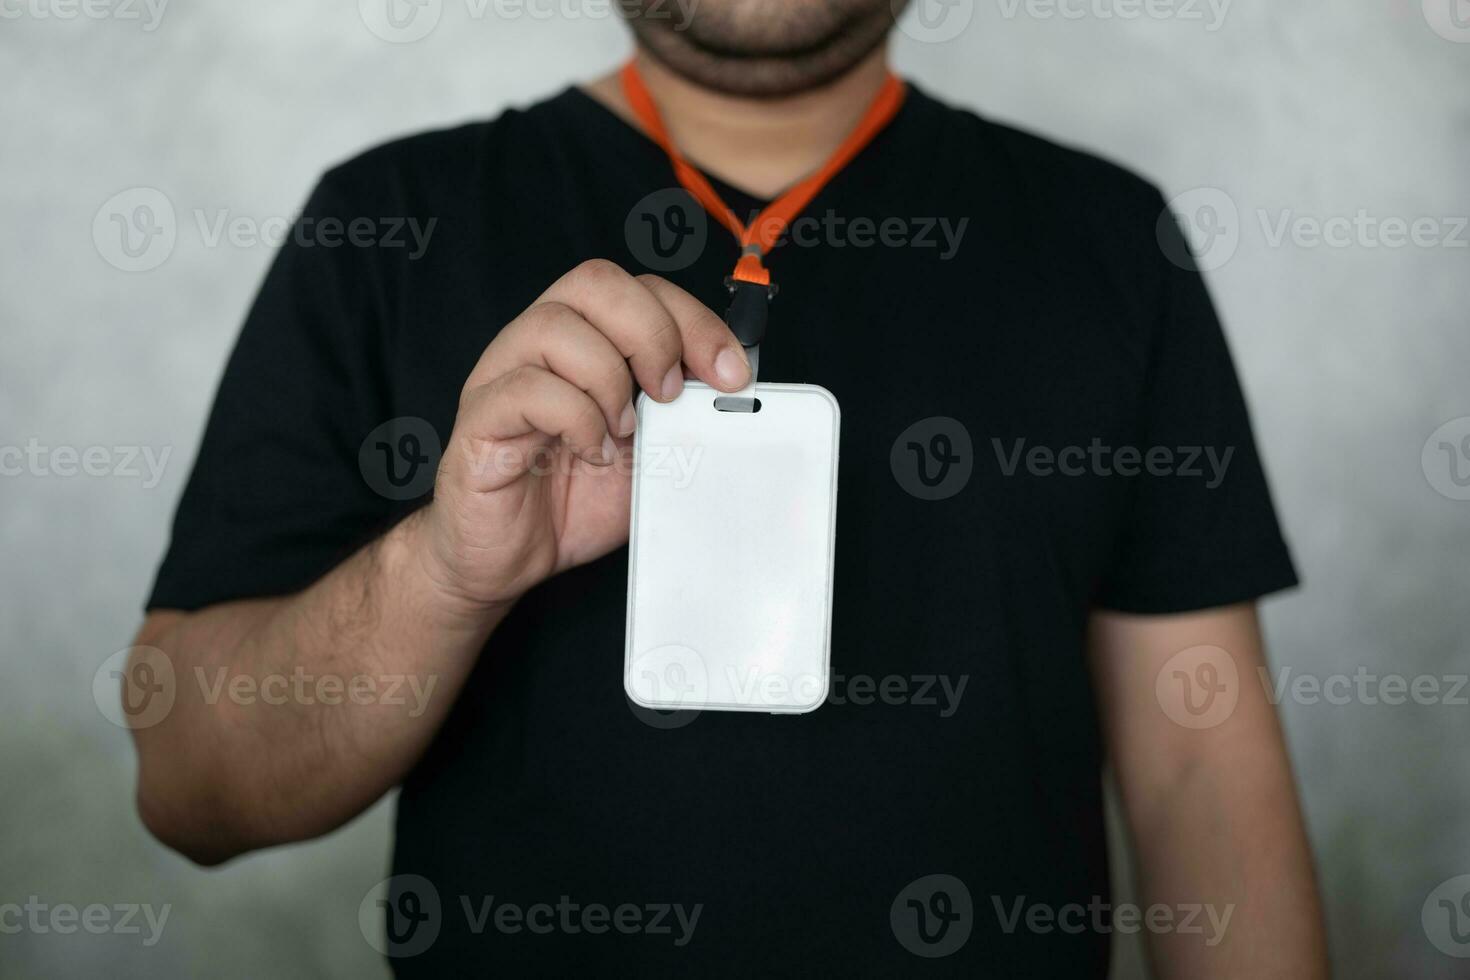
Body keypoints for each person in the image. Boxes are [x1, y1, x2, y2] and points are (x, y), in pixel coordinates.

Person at [127, 1, 1330, 975]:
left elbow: (1198, 769)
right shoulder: (381, 224)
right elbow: (187, 781)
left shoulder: (1113, 239)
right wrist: (441, 570)